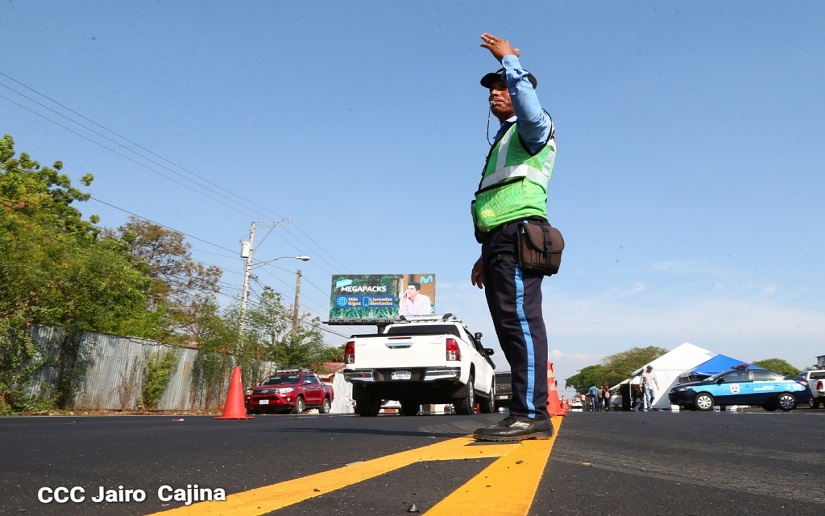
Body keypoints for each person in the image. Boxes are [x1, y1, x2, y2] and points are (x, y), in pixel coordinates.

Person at [470, 33, 557, 442]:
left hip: (519, 235)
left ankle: (531, 414)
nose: (496, 93)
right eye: (493, 88)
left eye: (503, 86)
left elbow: (530, 110)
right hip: (499, 241)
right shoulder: (507, 138)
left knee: (522, 323)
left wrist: (511, 63)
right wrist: (485, 251)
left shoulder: (533, 127)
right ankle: (523, 411)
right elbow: (497, 196)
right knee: (509, 327)